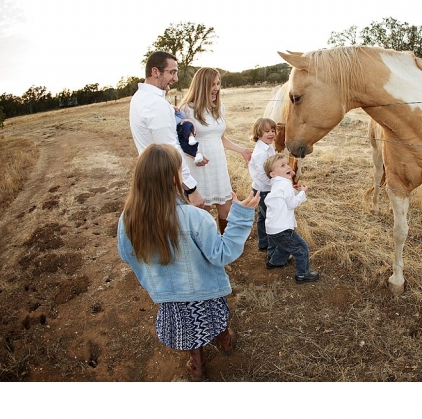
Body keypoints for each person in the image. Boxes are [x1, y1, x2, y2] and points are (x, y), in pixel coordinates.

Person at [117, 144, 260, 380]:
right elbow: (222, 254)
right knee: (214, 317)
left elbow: (126, 254)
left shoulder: (128, 219)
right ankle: (225, 341)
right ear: (173, 179)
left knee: (190, 330)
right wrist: (241, 215)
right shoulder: (195, 217)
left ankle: (198, 364)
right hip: (205, 290)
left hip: (170, 295)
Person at [177, 67, 252, 232]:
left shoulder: (219, 108)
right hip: (197, 164)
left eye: (218, 84)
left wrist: (242, 150)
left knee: (226, 209)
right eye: (212, 84)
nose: (217, 88)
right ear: (202, 85)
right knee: (202, 210)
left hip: (218, 163)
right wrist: (195, 155)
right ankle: (204, 246)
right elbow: (181, 142)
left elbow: (220, 138)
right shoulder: (186, 109)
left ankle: (225, 245)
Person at [129, 51, 206, 208]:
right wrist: (191, 189)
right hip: (166, 183)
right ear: (155, 72)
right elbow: (171, 149)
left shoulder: (139, 97)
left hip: (149, 178)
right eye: (172, 72)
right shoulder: (155, 104)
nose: (175, 78)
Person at [263, 153, 320, 283]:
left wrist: (293, 191)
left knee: (284, 246)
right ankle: (302, 275)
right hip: (282, 229)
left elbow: (284, 198)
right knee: (301, 248)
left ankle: (275, 262)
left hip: (272, 229)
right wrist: (302, 193)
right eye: (282, 165)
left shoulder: (277, 184)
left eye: (287, 164)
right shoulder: (285, 185)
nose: (288, 166)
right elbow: (292, 203)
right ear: (273, 174)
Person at [248, 117, 277, 254]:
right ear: (258, 134)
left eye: (273, 130)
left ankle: (263, 243)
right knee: (269, 218)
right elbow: (262, 174)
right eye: (267, 131)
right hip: (263, 189)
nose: (271, 133)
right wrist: (275, 183)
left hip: (265, 188)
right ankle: (271, 248)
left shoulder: (269, 148)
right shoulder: (260, 152)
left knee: (263, 216)